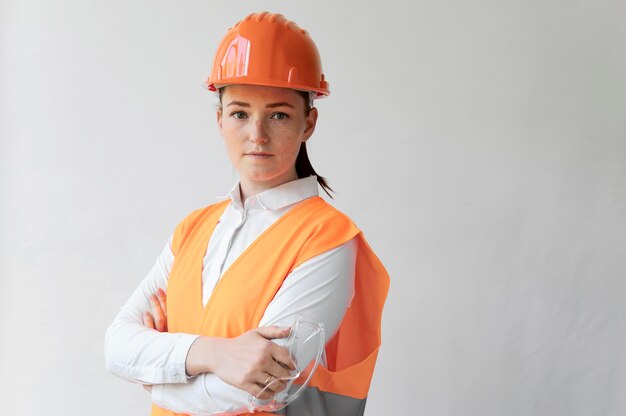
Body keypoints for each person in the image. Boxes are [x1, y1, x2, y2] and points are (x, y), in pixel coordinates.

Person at [104, 11, 389, 416]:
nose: (257, 134)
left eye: (279, 115)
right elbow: (116, 346)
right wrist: (214, 354)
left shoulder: (327, 238)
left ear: (309, 122)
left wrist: (156, 379)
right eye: (240, 113)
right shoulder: (191, 231)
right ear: (219, 120)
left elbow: (264, 389)